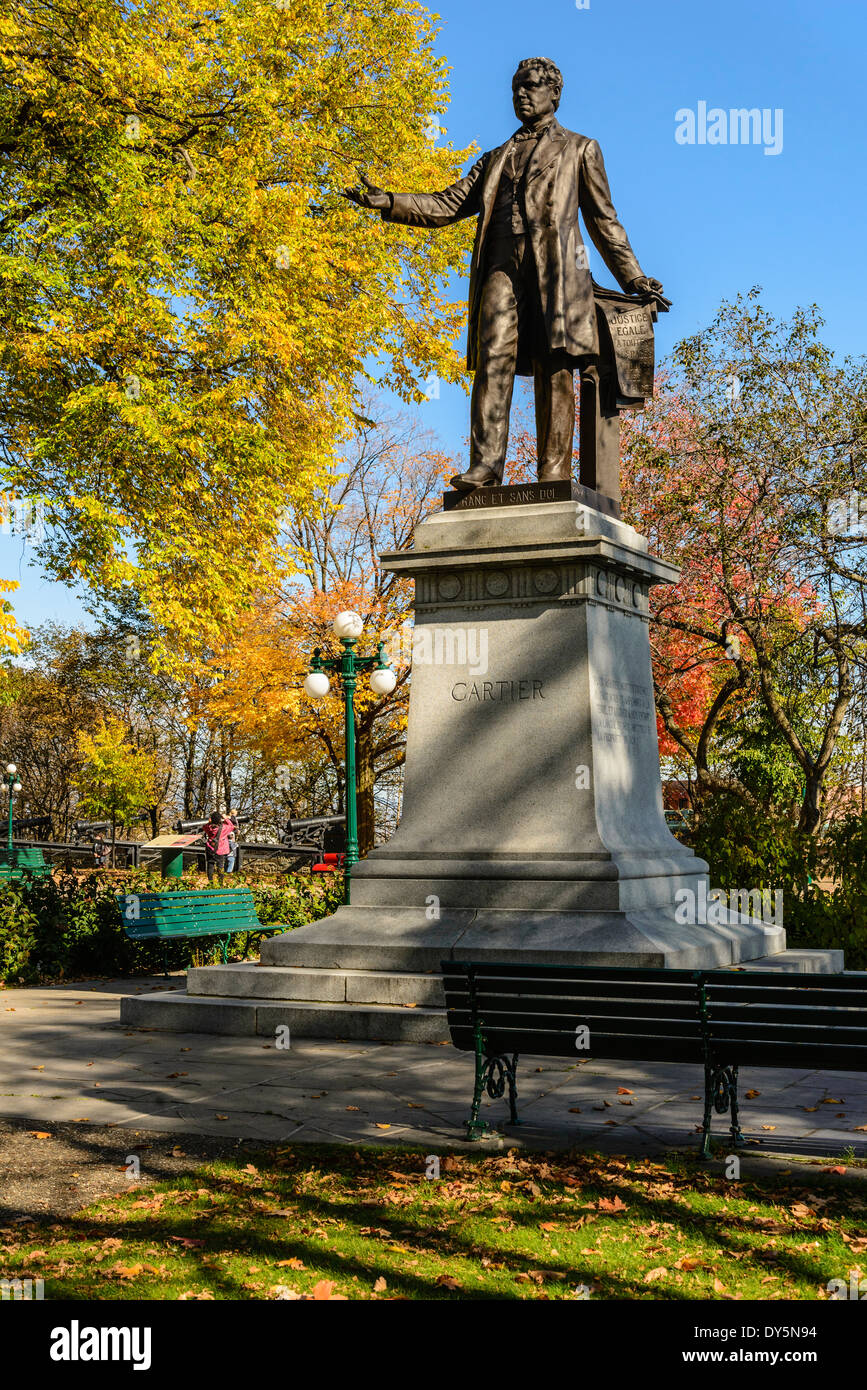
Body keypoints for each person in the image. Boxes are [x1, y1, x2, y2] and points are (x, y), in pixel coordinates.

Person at [344, 57, 666, 495]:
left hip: (557, 273)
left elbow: (603, 221)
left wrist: (634, 279)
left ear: (554, 93)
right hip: (500, 265)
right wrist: (389, 202)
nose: (521, 93)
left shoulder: (579, 149)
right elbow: (448, 204)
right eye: (516, 87)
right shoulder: (496, 158)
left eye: (531, 85)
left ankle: (552, 474)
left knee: (556, 364)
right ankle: (485, 466)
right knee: (492, 356)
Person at [201, 811, 233, 884]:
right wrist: (226, 819)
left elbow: (204, 827)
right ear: (219, 819)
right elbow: (231, 826)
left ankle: (211, 883)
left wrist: (209, 822)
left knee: (210, 865)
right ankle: (220, 883)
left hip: (210, 849)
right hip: (220, 850)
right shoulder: (224, 828)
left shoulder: (208, 827)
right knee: (220, 866)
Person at [226, 808, 240, 873]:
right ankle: (229, 872)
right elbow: (234, 825)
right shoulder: (232, 817)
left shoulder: (231, 818)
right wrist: (236, 830)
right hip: (231, 833)